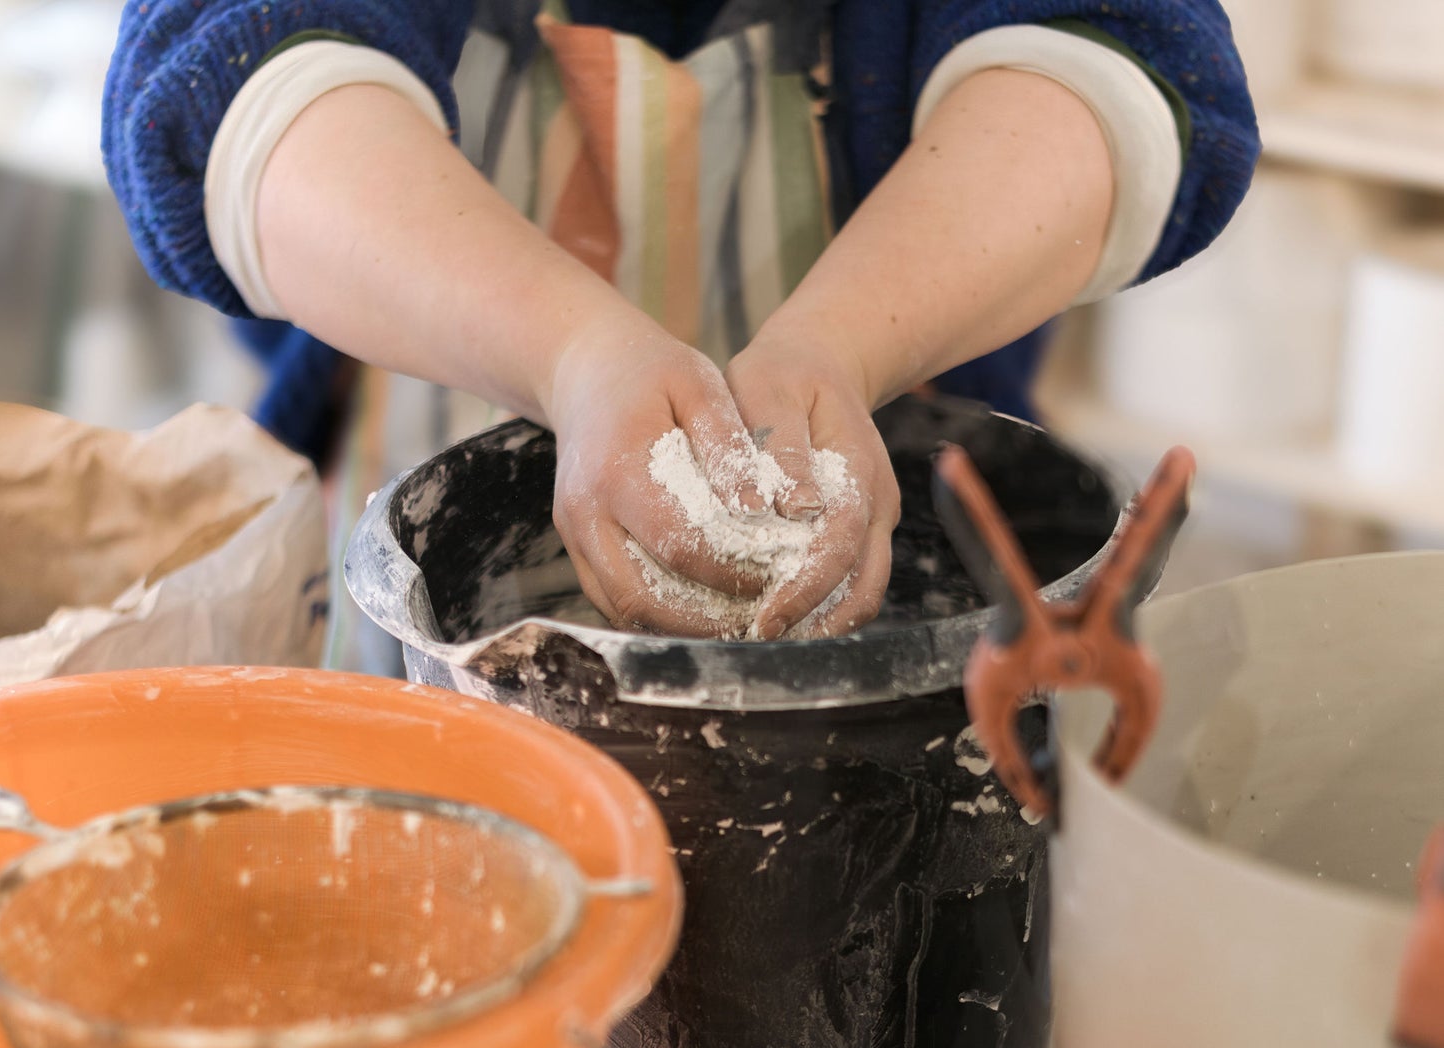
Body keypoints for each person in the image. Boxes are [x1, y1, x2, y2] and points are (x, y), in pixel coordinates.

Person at [103, 1, 1257, 660]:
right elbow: (226, 97)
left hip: (886, 543)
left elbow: (1118, 65)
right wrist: (571, 353)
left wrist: (834, 349)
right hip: (423, 560)